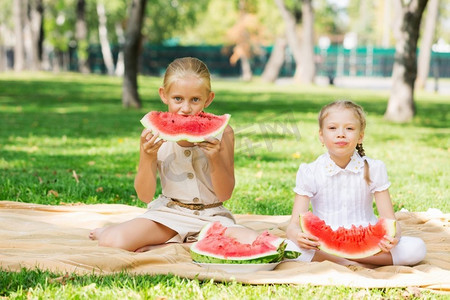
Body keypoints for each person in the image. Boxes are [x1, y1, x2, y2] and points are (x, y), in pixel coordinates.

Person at [89, 57, 258, 251]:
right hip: (169, 215)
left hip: (212, 217)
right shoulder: (152, 136)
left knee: (253, 241)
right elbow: (144, 195)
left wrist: (215, 159)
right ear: (164, 95)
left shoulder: (224, 133)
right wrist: (148, 157)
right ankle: (113, 232)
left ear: (208, 99)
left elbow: (225, 193)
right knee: (113, 241)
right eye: (178, 99)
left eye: (195, 100)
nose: (186, 109)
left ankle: (175, 245)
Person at [286, 100, 426, 267]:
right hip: (321, 243)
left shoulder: (373, 168)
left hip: (367, 239)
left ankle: (341, 259)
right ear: (321, 136)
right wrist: (297, 236)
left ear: (360, 136)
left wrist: (394, 238)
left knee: (417, 248)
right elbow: (293, 225)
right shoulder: (310, 171)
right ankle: (354, 259)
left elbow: (390, 221)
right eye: (332, 128)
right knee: (288, 247)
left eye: (349, 128)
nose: (341, 134)